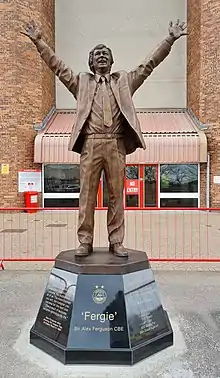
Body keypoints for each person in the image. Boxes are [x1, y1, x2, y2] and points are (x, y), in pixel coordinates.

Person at [22, 19, 187, 258]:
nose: (101, 56)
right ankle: (85, 241)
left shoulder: (124, 81)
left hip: (116, 144)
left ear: (111, 61)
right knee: (86, 196)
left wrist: (169, 39)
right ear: (90, 62)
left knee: (116, 196)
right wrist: (39, 42)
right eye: (97, 54)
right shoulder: (81, 82)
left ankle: (116, 241)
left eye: (105, 54)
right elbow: (57, 66)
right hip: (90, 143)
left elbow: (149, 64)